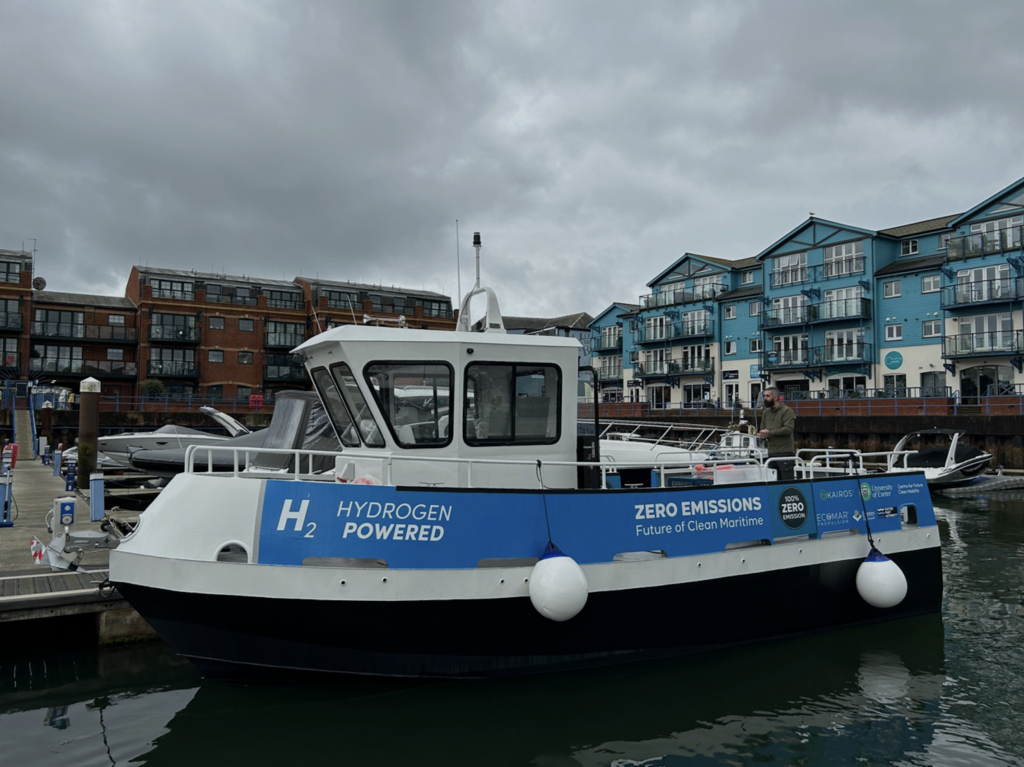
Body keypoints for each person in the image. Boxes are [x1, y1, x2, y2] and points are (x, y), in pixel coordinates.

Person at [757, 386, 796, 481]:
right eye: (764, 396)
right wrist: (762, 435)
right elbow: (762, 428)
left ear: (775, 397)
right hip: (771, 452)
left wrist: (769, 433)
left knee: (787, 483)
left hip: (785, 452)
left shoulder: (787, 411)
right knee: (774, 483)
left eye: (767, 396)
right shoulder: (766, 413)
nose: (765, 398)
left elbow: (788, 429)